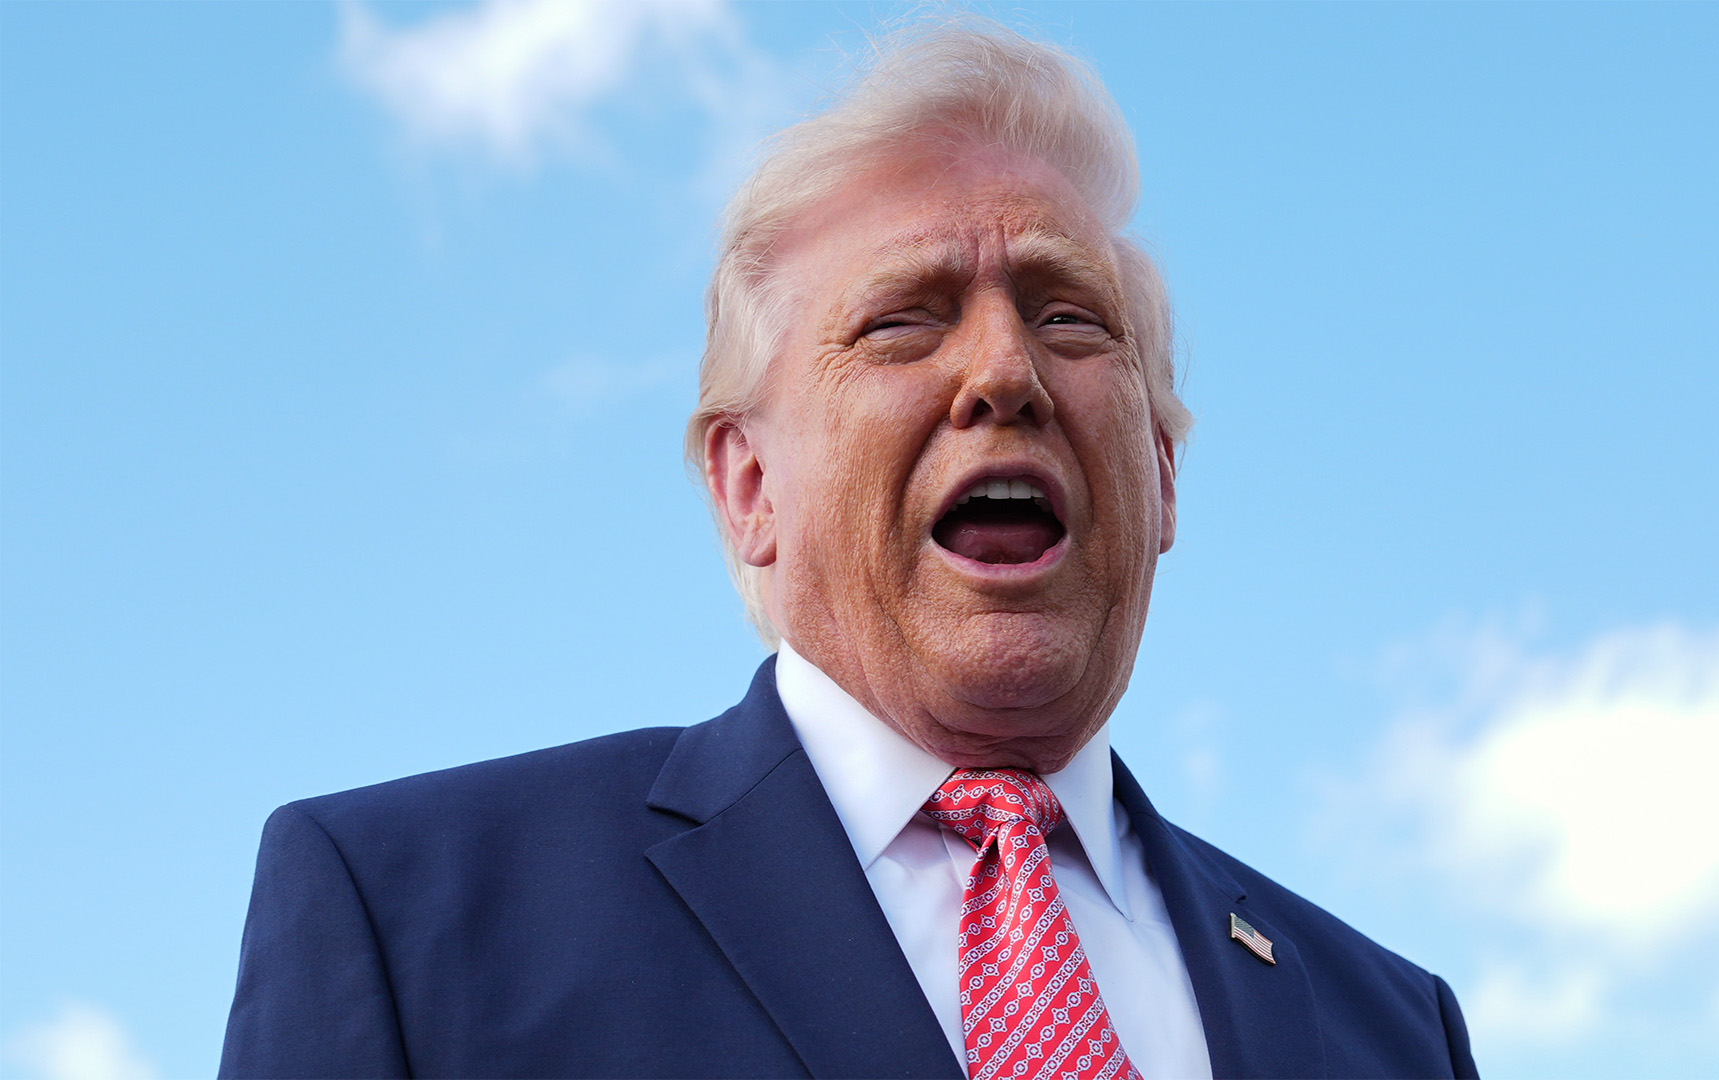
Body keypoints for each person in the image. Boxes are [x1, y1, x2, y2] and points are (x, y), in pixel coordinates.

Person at [220, 21, 1476, 1080]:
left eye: (1068, 317)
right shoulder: (411, 918)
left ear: (1160, 474)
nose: (1005, 372)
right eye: (901, 323)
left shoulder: (1395, 1030)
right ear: (750, 487)